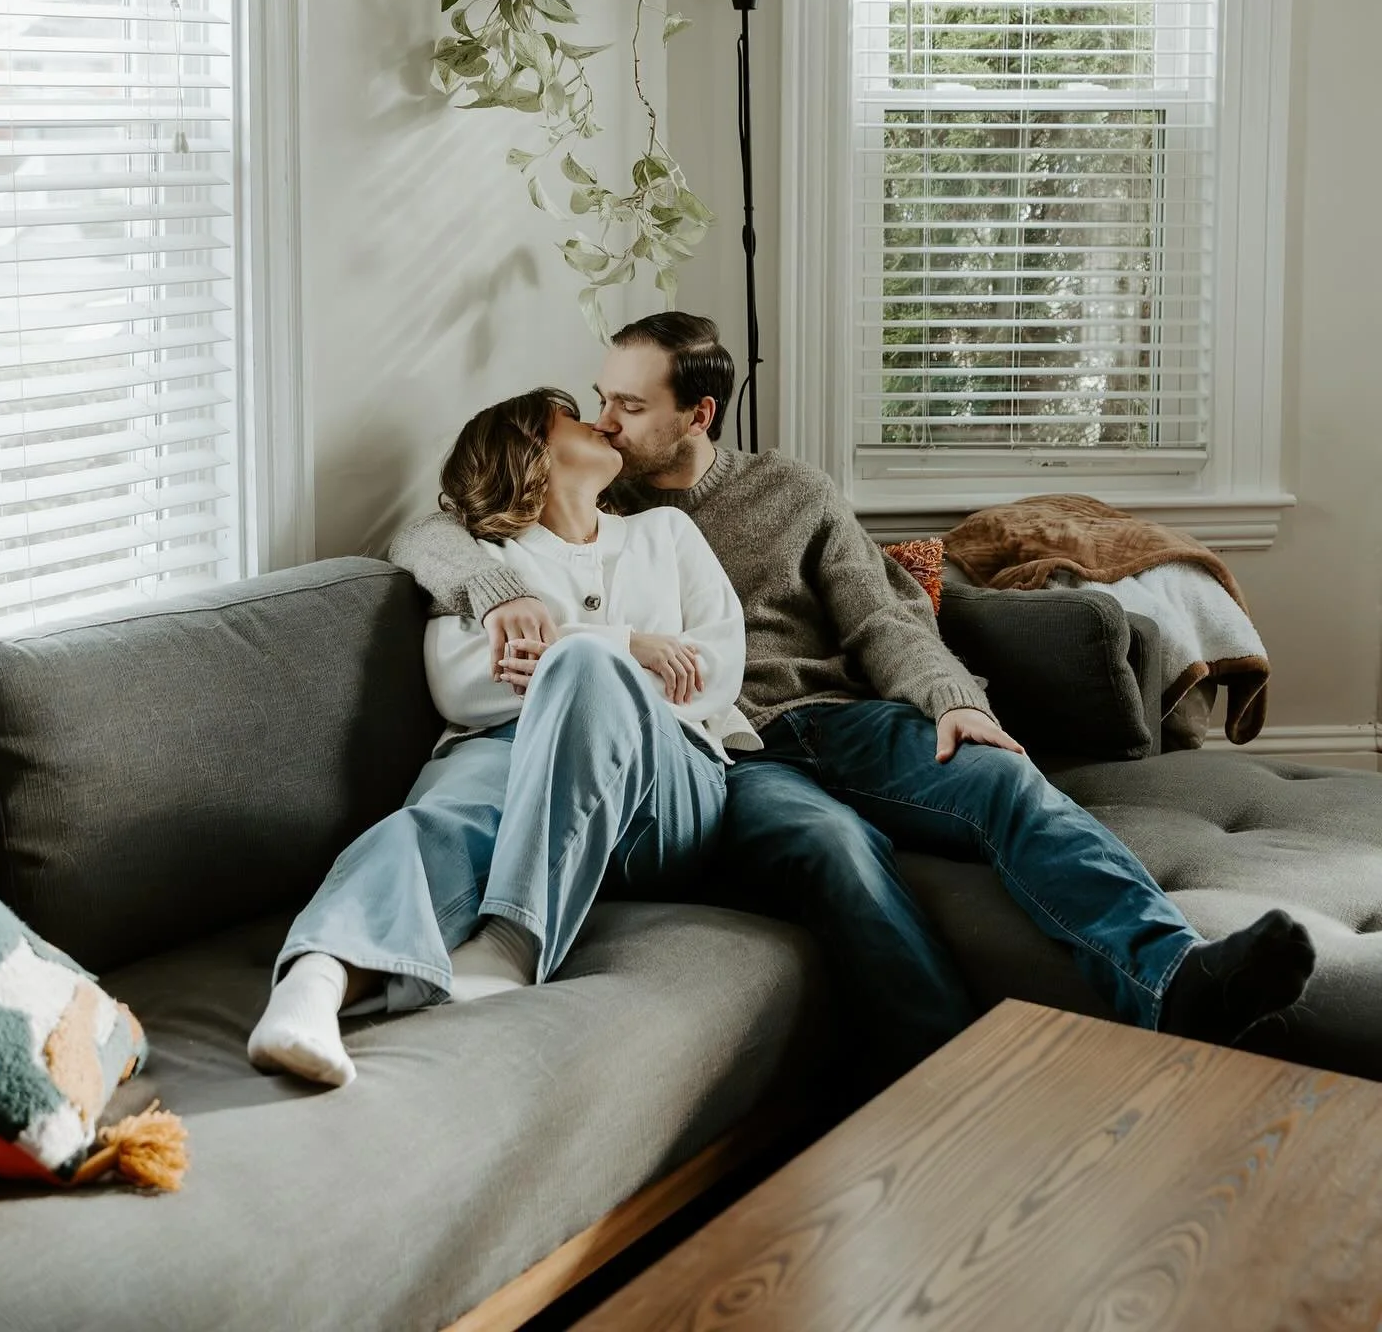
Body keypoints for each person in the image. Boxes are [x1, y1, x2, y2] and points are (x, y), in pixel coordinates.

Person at [392, 315, 1317, 1094]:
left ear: (697, 413)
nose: (607, 420)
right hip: (725, 752)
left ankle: (1175, 978)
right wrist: (490, 592)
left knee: (1003, 778)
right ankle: (949, 1086)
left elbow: (883, 614)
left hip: (837, 717)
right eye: (602, 401)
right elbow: (430, 526)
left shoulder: (790, 491)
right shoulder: (586, 491)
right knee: (835, 847)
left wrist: (954, 700)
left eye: (631, 406)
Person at [249, 385, 753, 1088]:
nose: (604, 423)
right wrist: (627, 643)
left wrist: (587, 657)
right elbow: (461, 682)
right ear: (534, 453)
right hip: (501, 759)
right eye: (577, 419)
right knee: (425, 826)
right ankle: (312, 986)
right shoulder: (487, 570)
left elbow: (716, 671)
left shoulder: (665, 534)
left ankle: (513, 939)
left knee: (582, 664)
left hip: (664, 793)